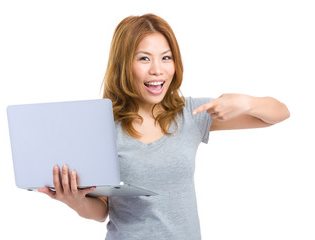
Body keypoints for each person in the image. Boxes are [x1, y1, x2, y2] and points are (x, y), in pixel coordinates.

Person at [38, 14, 290, 239]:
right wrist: (76, 201)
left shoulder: (191, 114)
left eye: (166, 58)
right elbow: (101, 210)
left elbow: (279, 114)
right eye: (144, 58)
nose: (157, 70)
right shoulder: (102, 126)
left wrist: (245, 102)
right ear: (124, 64)